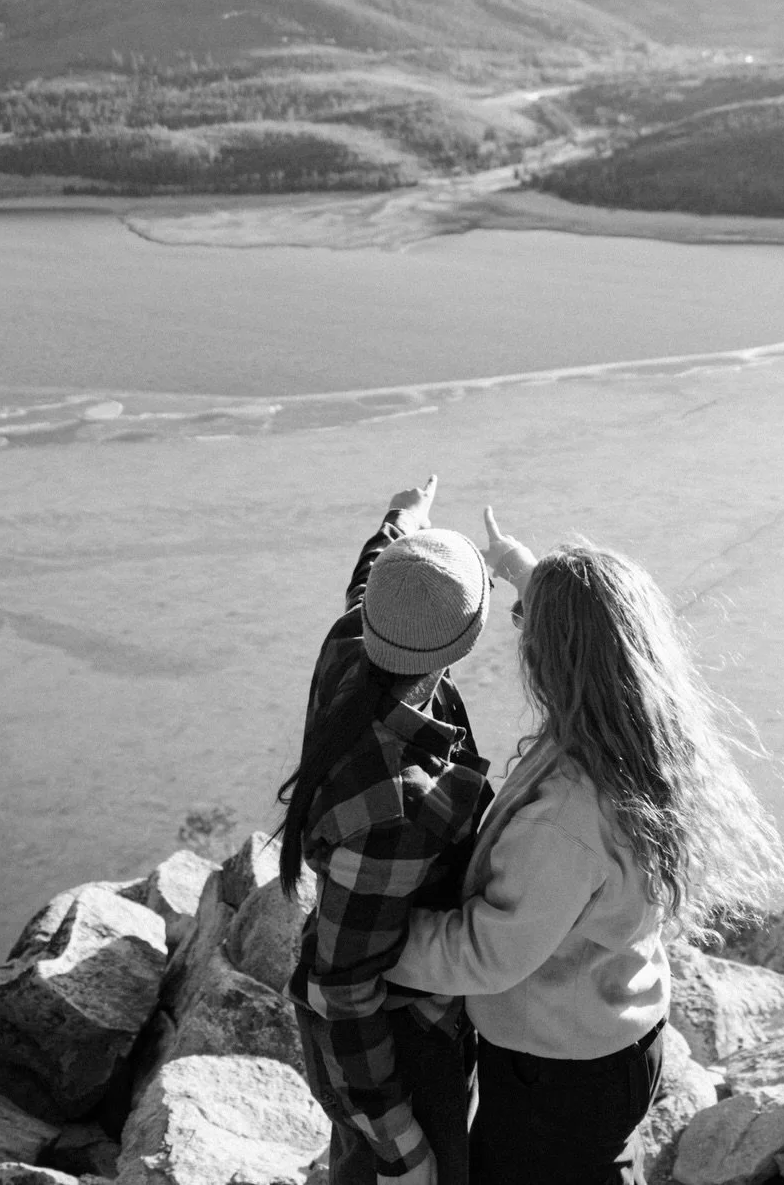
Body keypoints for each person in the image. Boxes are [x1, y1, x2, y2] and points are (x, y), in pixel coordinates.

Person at [392, 508, 784, 1185]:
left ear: (551, 662)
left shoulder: (565, 821)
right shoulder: (640, 737)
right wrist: (516, 565)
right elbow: (591, 618)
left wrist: (376, 944)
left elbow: (488, 952)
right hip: (617, 1036)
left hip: (557, 1074)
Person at [279, 474, 493, 1185]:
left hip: (381, 1041)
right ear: (464, 642)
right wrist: (403, 1148)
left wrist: (405, 515)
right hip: (395, 1057)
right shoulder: (397, 810)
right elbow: (343, 993)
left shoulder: (352, 646)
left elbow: (372, 578)